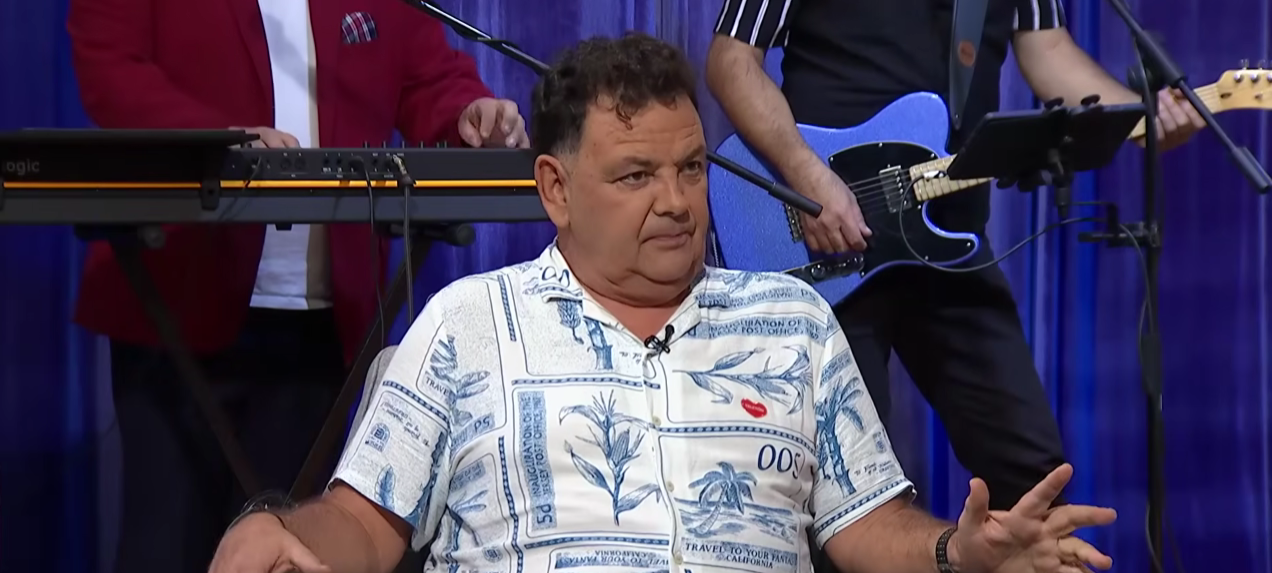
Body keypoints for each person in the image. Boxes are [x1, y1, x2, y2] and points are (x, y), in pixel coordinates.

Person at [208, 32, 1117, 573]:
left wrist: (958, 553)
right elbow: (361, 521)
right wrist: (275, 531)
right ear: (555, 189)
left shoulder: (792, 323)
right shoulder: (466, 323)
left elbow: (867, 524)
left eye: (689, 168)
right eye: (636, 176)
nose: (677, 202)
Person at [65, 0, 528, 570]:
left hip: (318, 326)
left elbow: (430, 80)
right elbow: (111, 69)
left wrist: (471, 113)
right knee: (165, 542)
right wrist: (217, 144)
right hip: (174, 303)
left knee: (292, 549)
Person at [706, 0, 1203, 516]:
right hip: (822, 239)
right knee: (844, 489)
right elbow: (730, 60)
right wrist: (806, 178)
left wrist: (1143, 117)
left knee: (1034, 480)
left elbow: (1048, 47)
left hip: (946, 235)